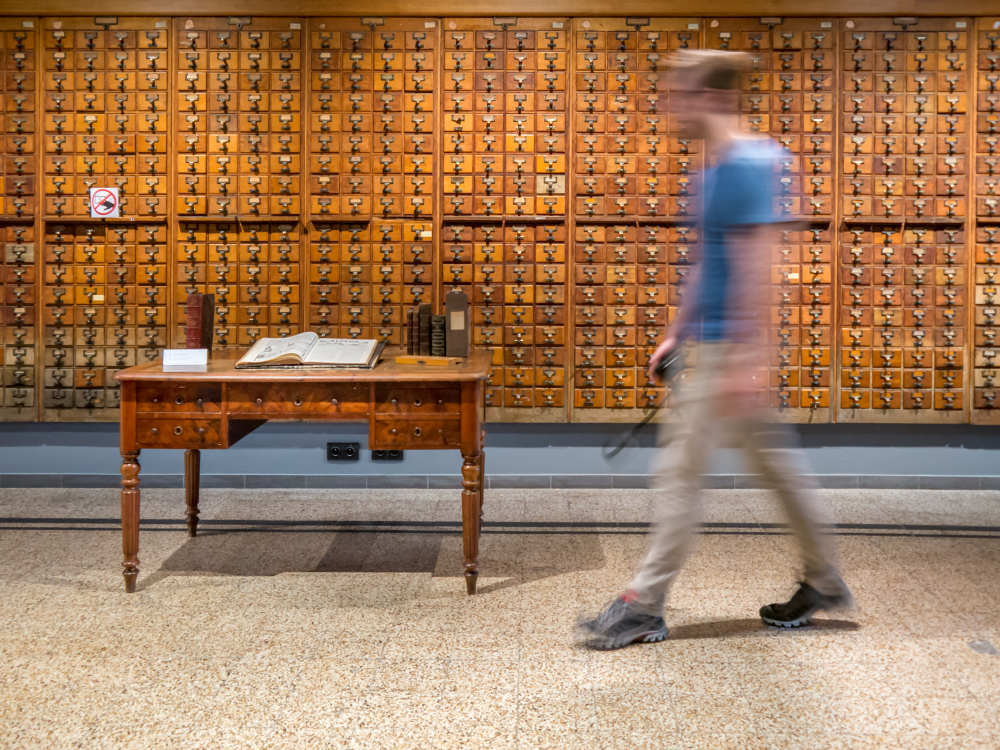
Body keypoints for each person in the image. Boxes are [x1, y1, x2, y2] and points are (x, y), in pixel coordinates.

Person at [577, 50, 853, 650]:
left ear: (711, 97)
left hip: (732, 349)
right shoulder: (709, 172)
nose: (669, 103)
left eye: (680, 92)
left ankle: (644, 605)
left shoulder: (753, 163)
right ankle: (825, 579)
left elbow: (758, 261)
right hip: (712, 343)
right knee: (777, 468)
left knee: (678, 474)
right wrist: (677, 331)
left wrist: (751, 358)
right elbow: (708, 261)